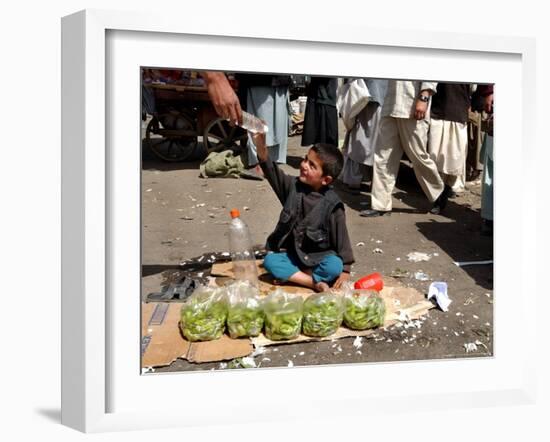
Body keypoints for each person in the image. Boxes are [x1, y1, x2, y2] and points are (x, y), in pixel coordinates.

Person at [251, 131, 355, 292]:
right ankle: (313, 282)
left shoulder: (333, 206)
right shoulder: (292, 187)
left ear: (325, 180)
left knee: (335, 266)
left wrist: (345, 271)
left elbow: (343, 242)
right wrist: (261, 147)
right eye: (306, 159)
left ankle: (297, 276)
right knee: (270, 261)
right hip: (293, 256)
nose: (304, 165)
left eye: (312, 165)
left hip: (318, 259)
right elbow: (271, 171)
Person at [360, 80, 449, 217]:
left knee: (418, 155)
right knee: (383, 156)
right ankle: (380, 204)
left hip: (412, 104)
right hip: (390, 104)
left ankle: (439, 192)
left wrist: (424, 97)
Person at [338, 78, 388, 194]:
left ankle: (353, 181)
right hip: (381, 98)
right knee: (375, 144)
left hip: (366, 97)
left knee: (358, 140)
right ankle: (373, 183)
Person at [427, 82, 473, 197]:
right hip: (439, 112)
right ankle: (438, 189)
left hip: (458, 113)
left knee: (455, 157)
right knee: (435, 155)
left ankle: (448, 188)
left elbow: (473, 87)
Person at [301, 76, 339, 147]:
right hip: (321, 96)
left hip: (325, 96)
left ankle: (323, 154)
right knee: (321, 133)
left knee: (326, 134)